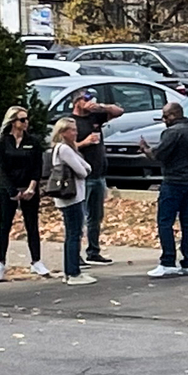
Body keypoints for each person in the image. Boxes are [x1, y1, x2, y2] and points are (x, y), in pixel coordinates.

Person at [146, 101, 188, 278]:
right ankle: (187, 262)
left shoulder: (172, 133)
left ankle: (168, 261)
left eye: (165, 116)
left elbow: (159, 154)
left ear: (173, 115)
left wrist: (146, 150)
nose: (164, 120)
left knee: (165, 221)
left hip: (173, 181)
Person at [0, 104, 50, 281]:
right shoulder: (3, 142)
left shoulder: (32, 142)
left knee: (32, 225)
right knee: (4, 226)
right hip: (9, 188)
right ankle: (0, 262)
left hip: (28, 187)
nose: (26, 122)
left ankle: (36, 261)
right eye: (22, 119)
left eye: (26, 119)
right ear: (13, 122)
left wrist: (32, 187)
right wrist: (12, 191)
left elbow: (37, 167)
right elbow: (1, 169)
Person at [69, 87, 123, 263]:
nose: (89, 102)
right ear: (77, 102)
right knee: (79, 217)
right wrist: (85, 142)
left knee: (96, 216)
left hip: (98, 174)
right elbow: (64, 149)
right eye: (85, 99)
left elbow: (119, 111)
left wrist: (101, 107)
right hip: (81, 176)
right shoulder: (70, 122)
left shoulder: (94, 117)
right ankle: (74, 254)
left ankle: (93, 250)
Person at [43, 116, 93, 284]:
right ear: (63, 132)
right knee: (74, 234)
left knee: (72, 234)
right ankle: (73, 272)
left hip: (71, 198)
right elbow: (83, 171)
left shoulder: (65, 149)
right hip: (71, 197)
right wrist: (85, 168)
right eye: (72, 130)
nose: (76, 132)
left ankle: (71, 271)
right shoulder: (64, 150)